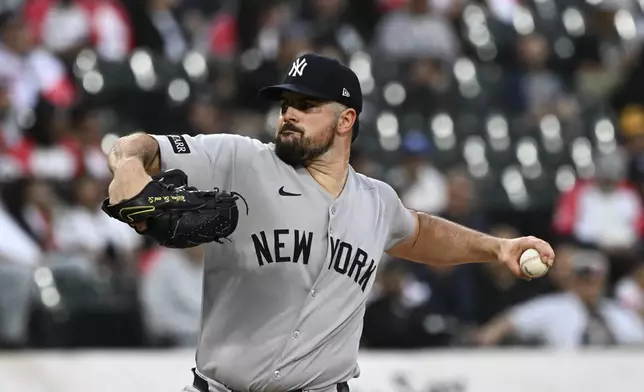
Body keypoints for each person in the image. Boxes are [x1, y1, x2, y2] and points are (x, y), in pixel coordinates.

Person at [105, 53, 555, 392]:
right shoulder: (241, 160)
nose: (289, 114)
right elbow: (136, 145)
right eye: (286, 104)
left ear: (346, 119)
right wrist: (129, 169)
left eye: (306, 105)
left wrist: (497, 248)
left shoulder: (377, 201)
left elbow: (420, 234)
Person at [475, 249, 644, 348]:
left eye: (595, 279)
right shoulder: (554, 306)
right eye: (584, 278)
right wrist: (485, 339)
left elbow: (637, 337)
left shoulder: (614, 312)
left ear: (603, 281)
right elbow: (510, 320)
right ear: (573, 279)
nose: (589, 284)